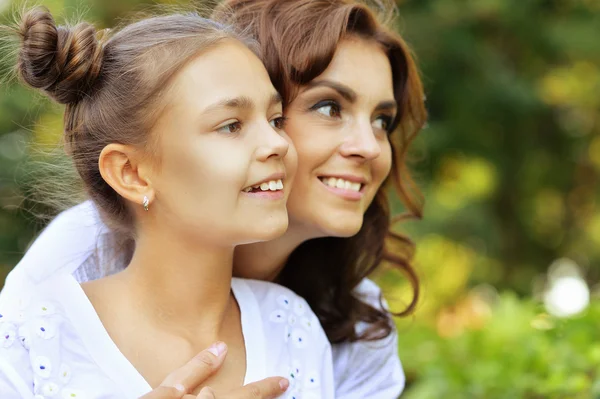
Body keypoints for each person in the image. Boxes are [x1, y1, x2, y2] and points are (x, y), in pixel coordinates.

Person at [1, 0, 427, 397]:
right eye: (329, 107)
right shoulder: (55, 293)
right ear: (131, 173)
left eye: (383, 121)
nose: (370, 147)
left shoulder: (317, 323)